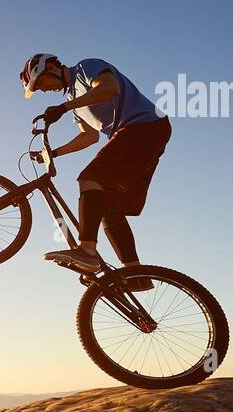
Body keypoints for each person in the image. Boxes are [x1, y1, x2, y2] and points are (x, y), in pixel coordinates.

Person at [19, 53, 171, 291]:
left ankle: (87, 251)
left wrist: (64, 107)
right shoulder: (72, 98)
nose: (43, 90)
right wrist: (54, 153)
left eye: (41, 84)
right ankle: (135, 274)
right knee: (106, 207)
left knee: (90, 179)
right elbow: (88, 136)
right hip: (139, 135)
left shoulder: (86, 68)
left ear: (51, 67)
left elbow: (110, 88)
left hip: (144, 127)